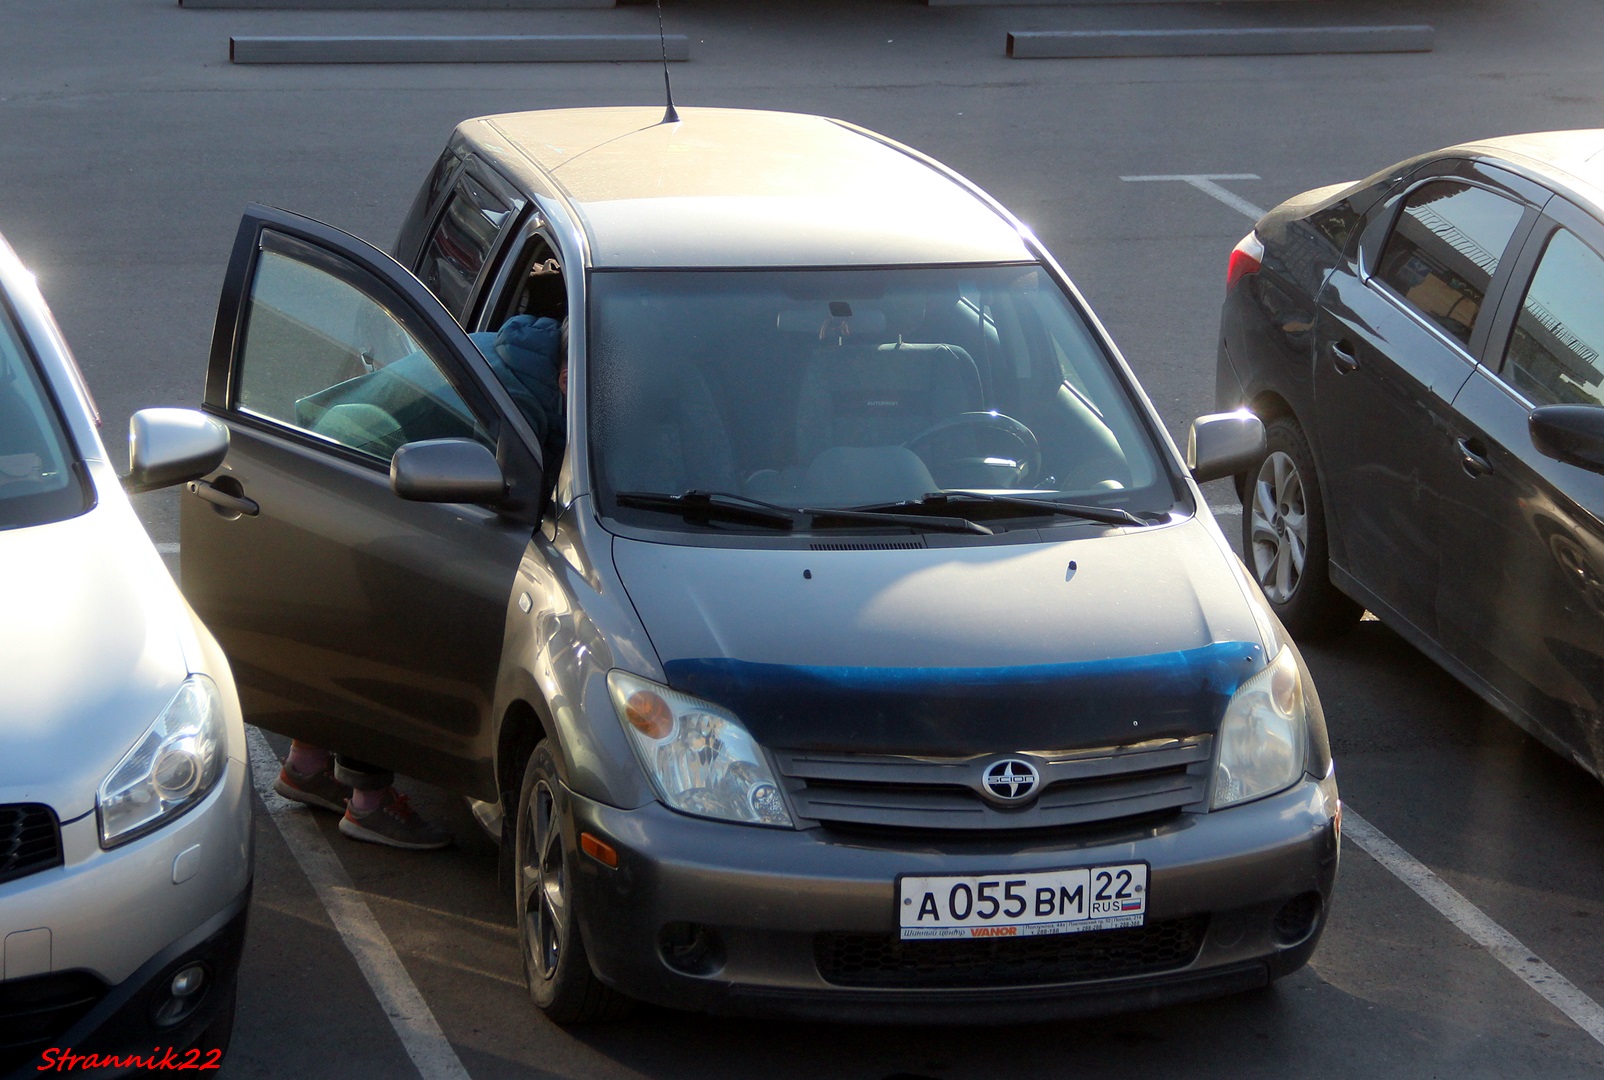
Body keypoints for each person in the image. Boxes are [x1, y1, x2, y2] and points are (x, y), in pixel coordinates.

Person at [274, 314, 568, 849]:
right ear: (569, 375)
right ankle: (368, 805)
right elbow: (523, 502)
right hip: (369, 481)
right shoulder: (520, 404)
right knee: (386, 646)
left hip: (330, 459)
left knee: (344, 635)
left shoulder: (501, 348)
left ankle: (306, 762)